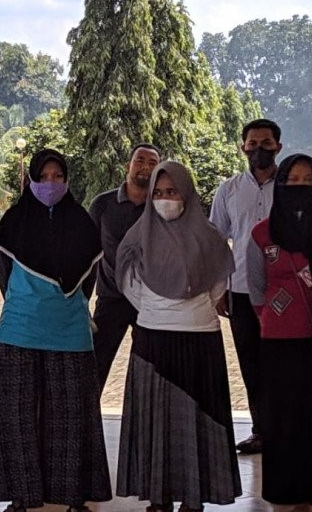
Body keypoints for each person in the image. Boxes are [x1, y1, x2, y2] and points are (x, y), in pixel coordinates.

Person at [0, 149, 111, 512]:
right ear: (31, 180)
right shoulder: (14, 221)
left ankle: (74, 497)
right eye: (43, 177)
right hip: (19, 332)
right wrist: (29, 304)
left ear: (67, 180)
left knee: (73, 419)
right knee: (16, 419)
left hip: (70, 334)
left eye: (58, 176)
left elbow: (88, 280)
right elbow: (3, 274)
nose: (50, 184)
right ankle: (21, 496)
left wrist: (63, 306)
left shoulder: (82, 223)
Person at [116, 161, 241, 511]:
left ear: (186, 193)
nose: (164, 199)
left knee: (195, 423)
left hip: (199, 337)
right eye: (157, 193)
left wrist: (180, 305)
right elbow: (129, 284)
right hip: (153, 338)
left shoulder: (210, 238)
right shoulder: (137, 237)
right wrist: (161, 308)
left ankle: (192, 498)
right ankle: (158, 498)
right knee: (157, 423)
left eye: (172, 192)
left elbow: (218, 286)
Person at [209, 118, 283, 455]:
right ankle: (261, 431)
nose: (258, 149)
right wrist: (218, 289)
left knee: (286, 362)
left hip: (285, 292)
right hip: (240, 291)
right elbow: (215, 242)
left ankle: (290, 431)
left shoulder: (291, 187)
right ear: (243, 148)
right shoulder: (228, 190)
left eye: (266, 143)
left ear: (278, 147)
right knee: (251, 364)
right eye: (252, 144)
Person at [247, 153, 312, 509]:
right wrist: (271, 318)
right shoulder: (262, 233)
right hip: (279, 340)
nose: (300, 187)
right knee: (282, 417)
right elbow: (256, 287)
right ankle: (284, 489)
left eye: (308, 181)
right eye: (292, 180)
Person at [88, 143, 162, 389]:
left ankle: (143, 413)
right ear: (127, 165)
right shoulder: (102, 204)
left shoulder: (163, 206)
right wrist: (80, 300)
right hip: (111, 298)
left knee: (149, 369)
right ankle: (87, 414)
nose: (145, 167)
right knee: (95, 366)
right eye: (139, 160)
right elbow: (87, 254)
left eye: (152, 163)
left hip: (151, 301)